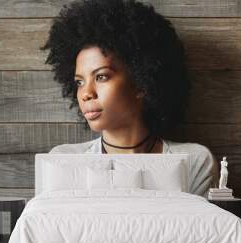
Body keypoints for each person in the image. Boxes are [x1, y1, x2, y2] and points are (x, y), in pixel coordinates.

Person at [40, 0, 218, 197]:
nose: (85, 93)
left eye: (101, 77)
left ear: (142, 83)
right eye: (80, 82)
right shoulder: (64, 160)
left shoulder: (193, 161)